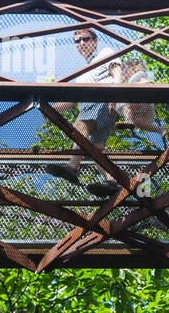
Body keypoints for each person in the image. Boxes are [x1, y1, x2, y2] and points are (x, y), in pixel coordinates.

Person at [44, 28, 123, 196]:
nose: (81, 43)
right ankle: (112, 182)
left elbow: (117, 73)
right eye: (77, 41)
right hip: (97, 107)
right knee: (96, 148)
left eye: (85, 39)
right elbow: (74, 100)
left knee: (80, 127)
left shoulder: (106, 53)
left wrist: (114, 96)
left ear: (94, 40)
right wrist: (53, 109)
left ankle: (72, 167)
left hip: (101, 101)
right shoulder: (84, 72)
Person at [115, 56, 167, 143]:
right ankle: (160, 129)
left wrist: (144, 84)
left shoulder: (138, 75)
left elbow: (145, 81)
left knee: (123, 101)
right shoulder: (129, 81)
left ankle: (128, 120)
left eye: (125, 70)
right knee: (138, 123)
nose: (124, 73)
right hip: (142, 108)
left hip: (141, 99)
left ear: (134, 68)